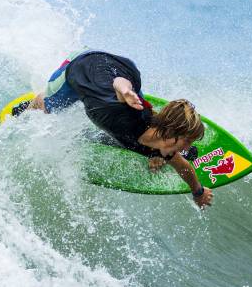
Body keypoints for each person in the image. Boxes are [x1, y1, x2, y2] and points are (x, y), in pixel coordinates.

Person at [15, 50, 214, 208]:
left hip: (122, 69)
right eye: (186, 141)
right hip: (82, 66)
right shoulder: (127, 112)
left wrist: (198, 192)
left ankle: (154, 149)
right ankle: (33, 103)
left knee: (148, 139)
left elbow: (183, 167)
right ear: (170, 133)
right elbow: (119, 83)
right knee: (49, 107)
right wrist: (126, 92)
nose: (185, 148)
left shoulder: (160, 139)